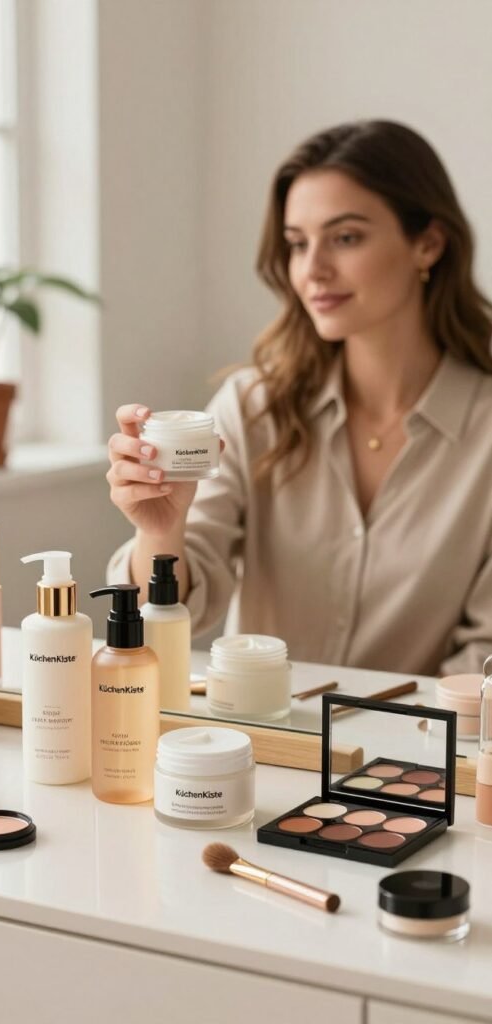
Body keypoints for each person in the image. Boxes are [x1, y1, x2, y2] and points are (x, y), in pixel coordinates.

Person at [106, 120, 492, 677]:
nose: (312, 270)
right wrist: (159, 528)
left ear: (427, 243)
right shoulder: (251, 407)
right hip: (262, 747)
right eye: (297, 244)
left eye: (346, 237)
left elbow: (484, 661)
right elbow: (156, 618)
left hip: (415, 753)